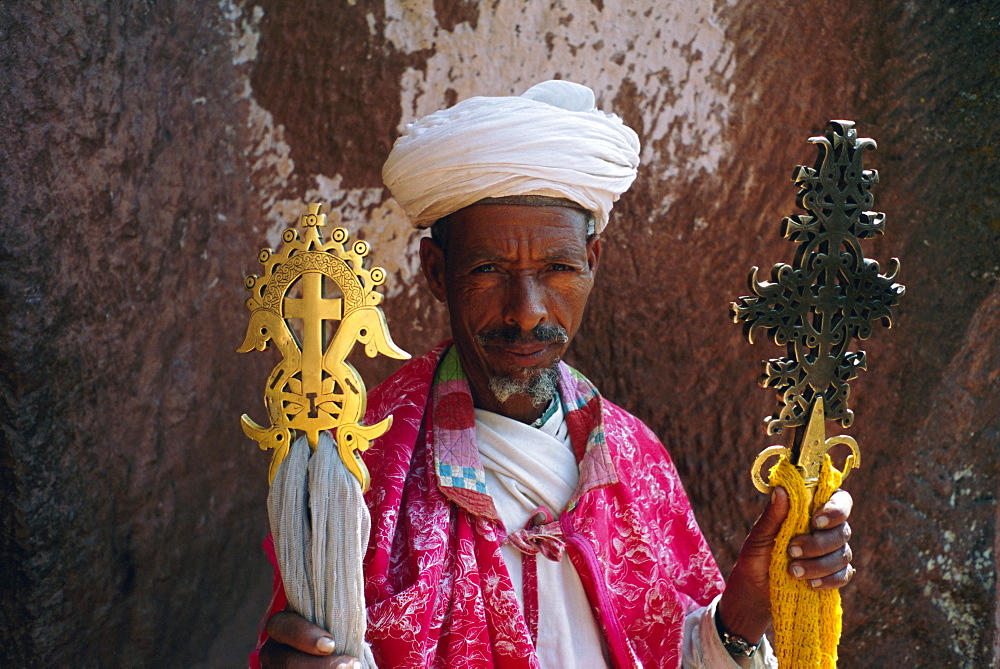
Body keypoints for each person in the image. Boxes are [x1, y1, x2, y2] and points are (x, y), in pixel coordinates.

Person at [252, 81, 854, 668]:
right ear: (437, 271)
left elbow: (670, 653)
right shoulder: (360, 465)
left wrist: (745, 611)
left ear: (592, 263)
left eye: (559, 268)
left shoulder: (631, 455)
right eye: (488, 268)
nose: (528, 311)